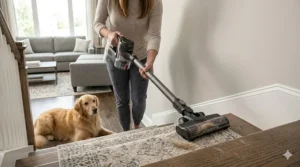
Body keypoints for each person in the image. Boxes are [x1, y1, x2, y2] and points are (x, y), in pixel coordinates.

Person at [94, 0, 163, 131]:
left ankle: (136, 126)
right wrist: (109, 34)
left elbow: (154, 34)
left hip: (140, 56)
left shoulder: (154, 2)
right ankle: (126, 132)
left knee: (139, 99)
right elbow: (97, 23)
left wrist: (150, 61)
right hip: (116, 55)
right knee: (122, 99)